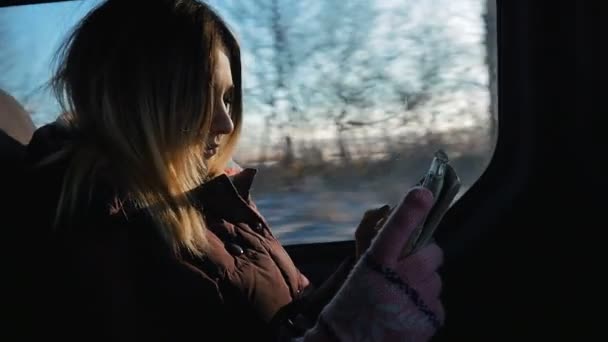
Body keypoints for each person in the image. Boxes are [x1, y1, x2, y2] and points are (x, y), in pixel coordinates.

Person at [15, 0, 445, 340]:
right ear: (142, 103)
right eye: (203, 99)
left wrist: (359, 270)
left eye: (228, 99)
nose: (225, 122)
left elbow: (287, 321)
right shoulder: (101, 236)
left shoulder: (211, 200)